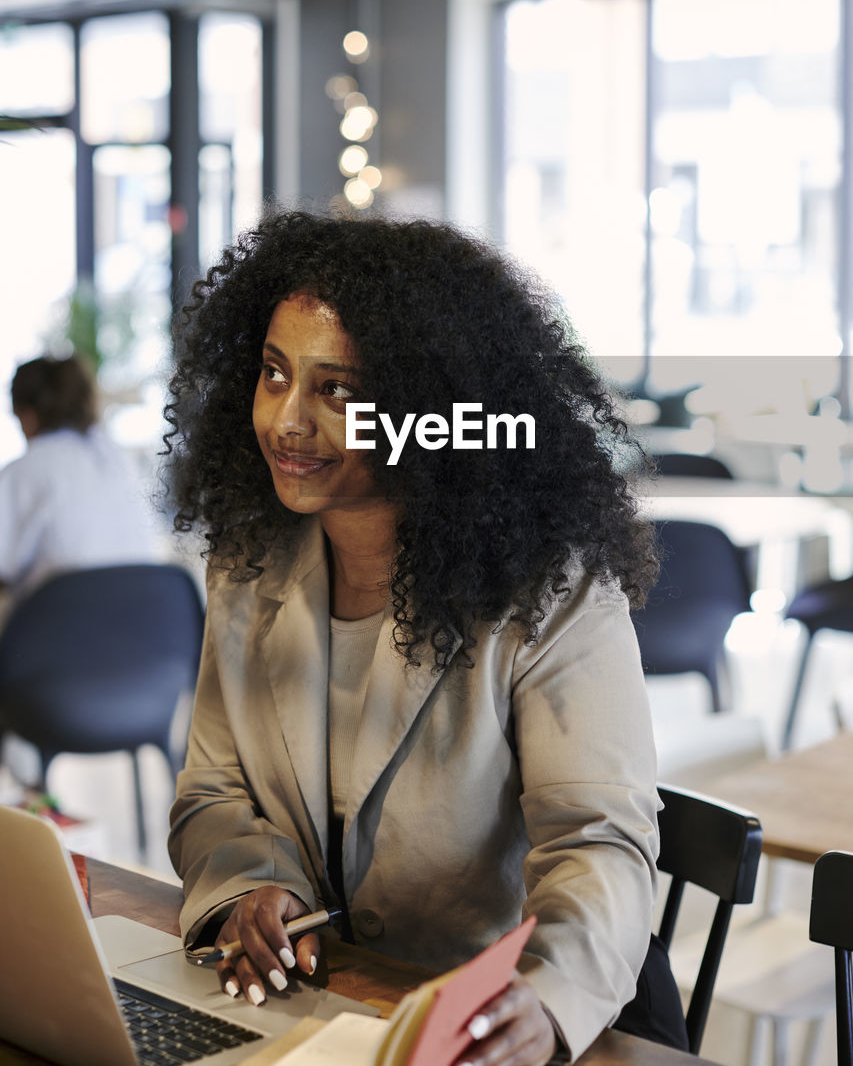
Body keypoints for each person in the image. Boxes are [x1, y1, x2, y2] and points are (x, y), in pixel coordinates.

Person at [165, 209, 670, 1065]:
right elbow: (212, 791)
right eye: (274, 373)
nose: (287, 422)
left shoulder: (549, 589)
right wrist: (253, 890)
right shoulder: (249, 567)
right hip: (326, 1007)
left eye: (337, 389)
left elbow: (598, 839)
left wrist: (546, 1003)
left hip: (495, 1021)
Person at [0, 354, 159, 614]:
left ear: (27, 416)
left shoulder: (23, 471)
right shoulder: (118, 461)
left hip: (61, 640)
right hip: (144, 634)